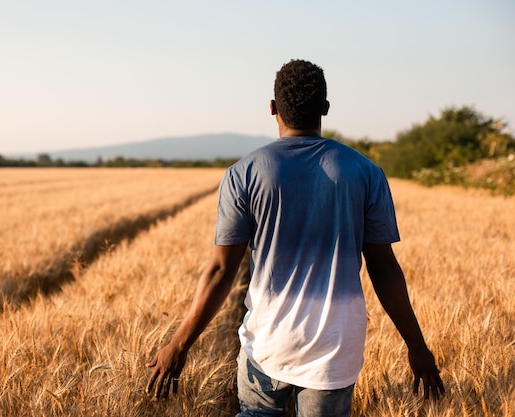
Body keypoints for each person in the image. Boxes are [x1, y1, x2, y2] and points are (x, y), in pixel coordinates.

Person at [145, 59, 445, 416]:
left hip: (267, 343)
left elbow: (221, 270)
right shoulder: (365, 172)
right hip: (334, 350)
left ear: (272, 108)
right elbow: (384, 268)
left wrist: (179, 346)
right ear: (326, 109)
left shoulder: (244, 173)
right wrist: (417, 346)